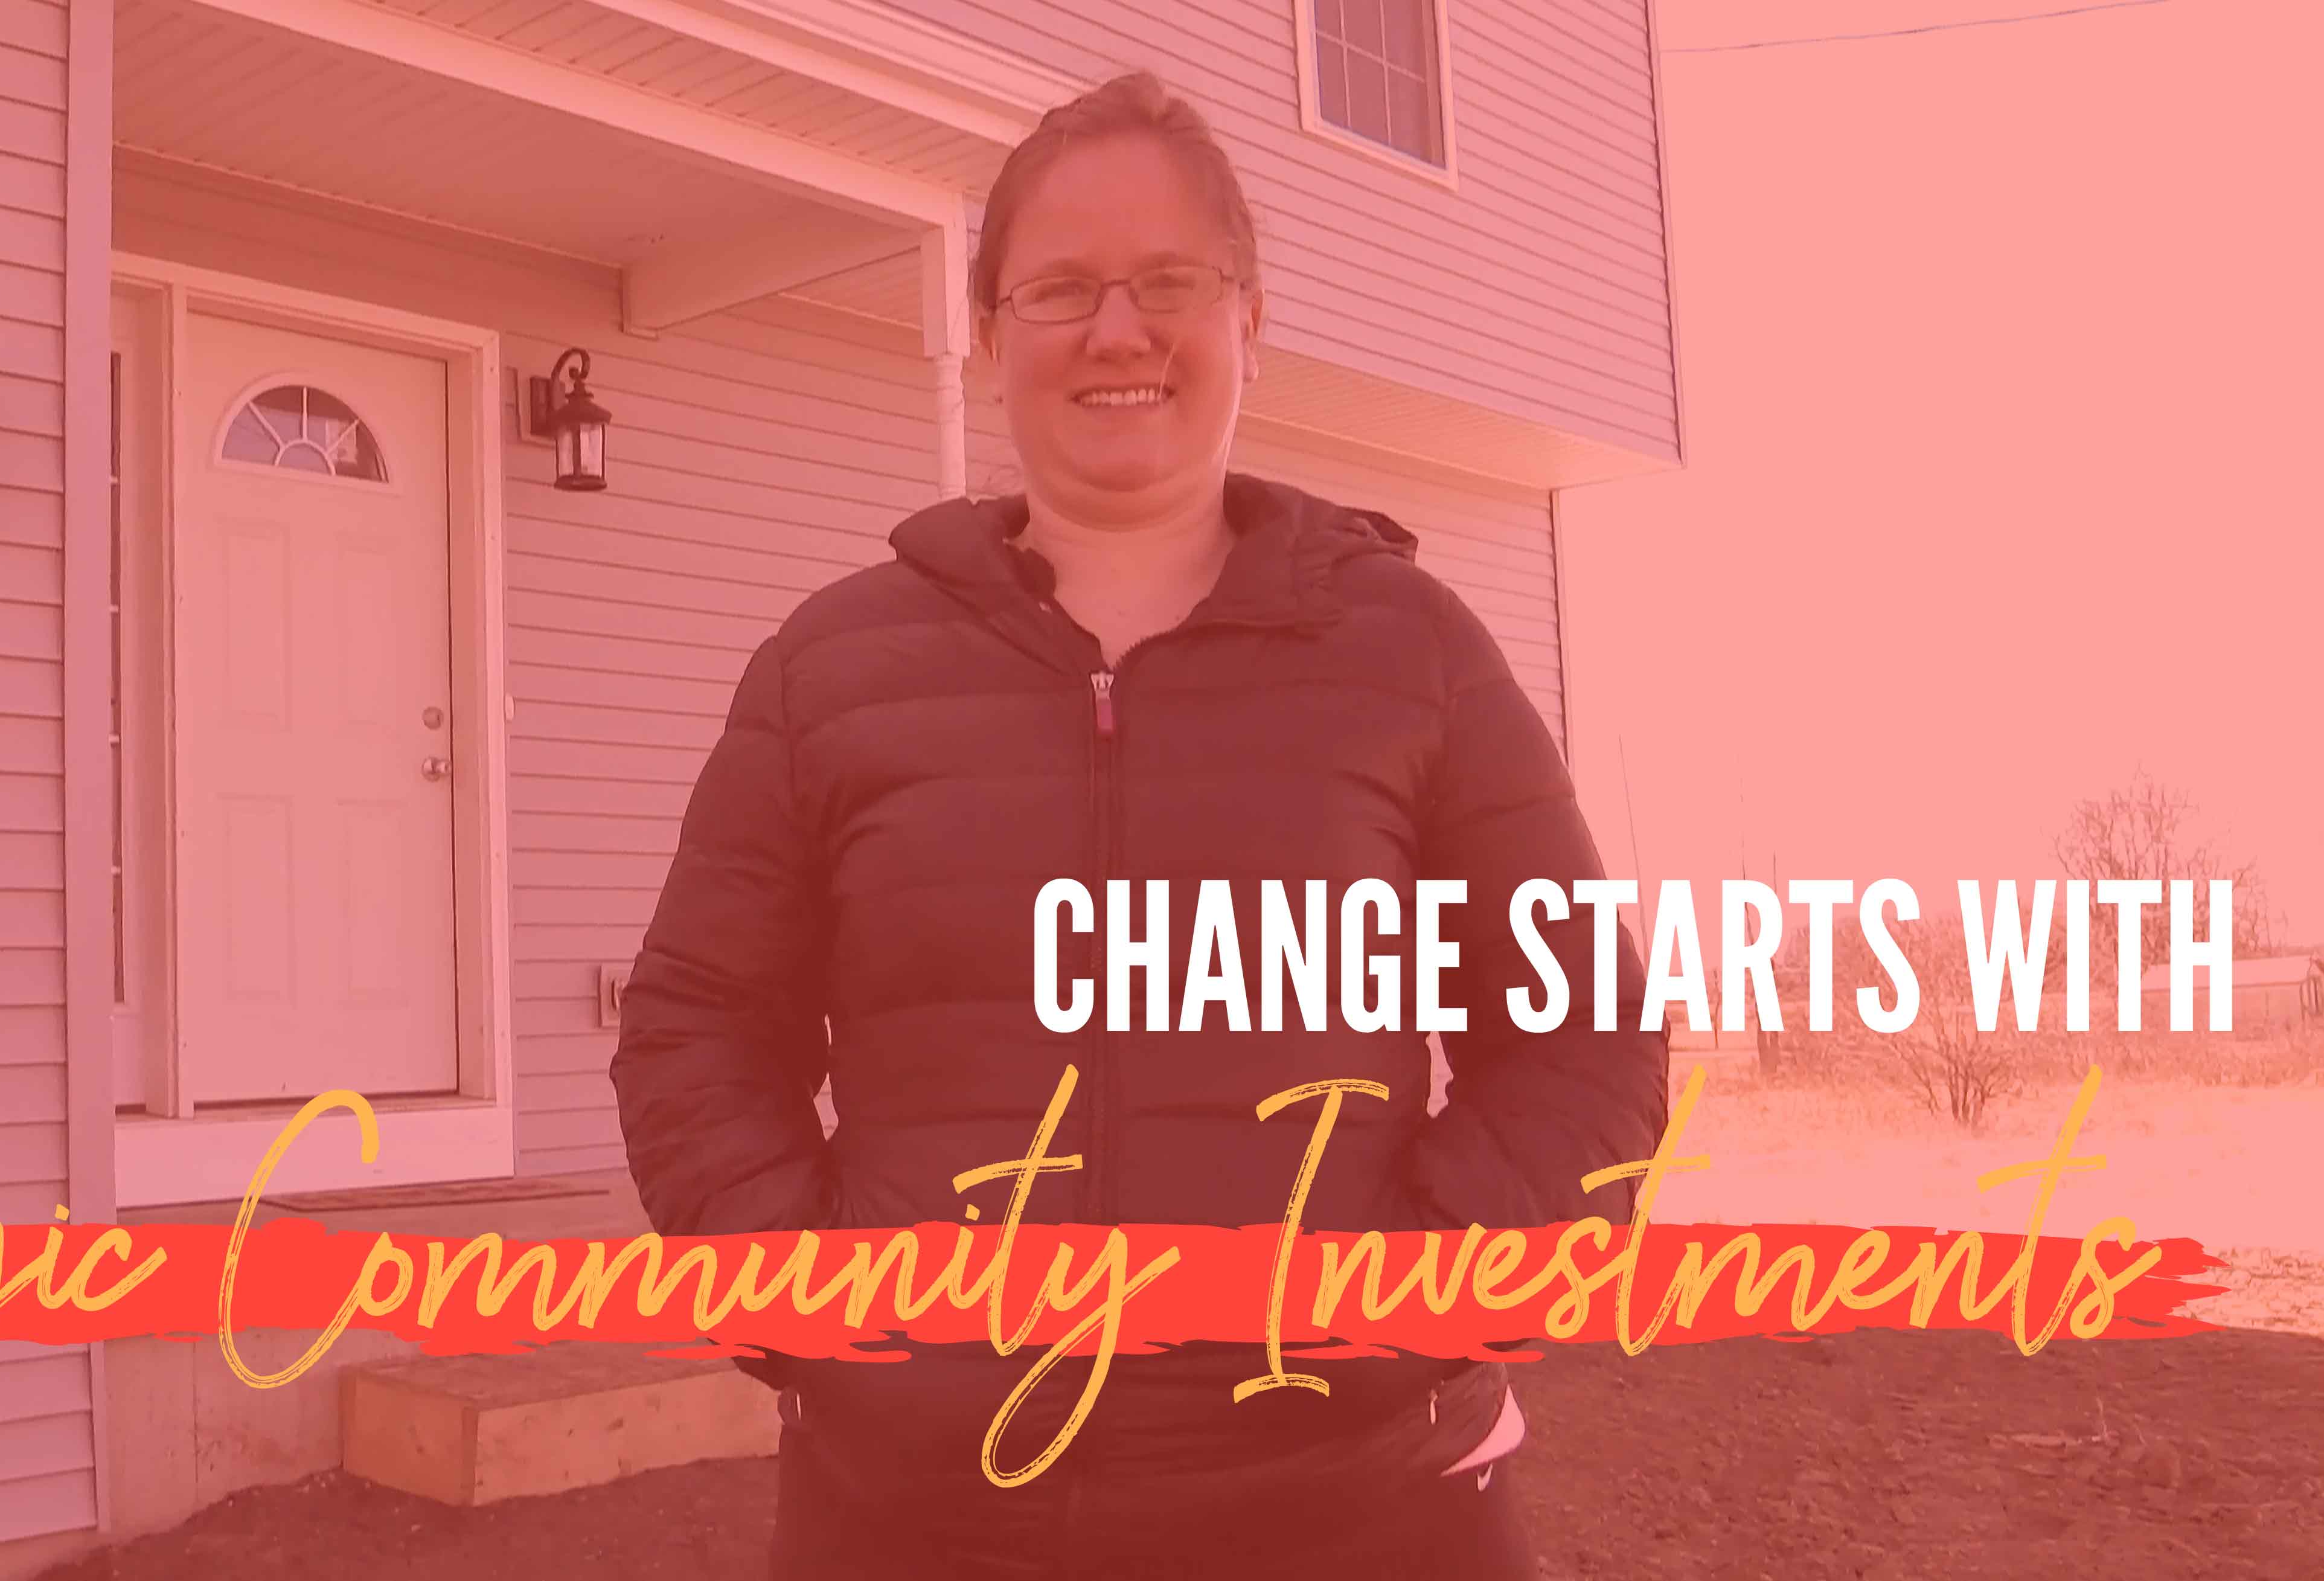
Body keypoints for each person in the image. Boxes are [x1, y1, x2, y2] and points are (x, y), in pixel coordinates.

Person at [609, 69, 1667, 1580]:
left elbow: (1580, 1030)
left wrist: (1426, 1298)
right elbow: (696, 1024)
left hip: (1363, 1512)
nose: (1118, 330)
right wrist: (816, 1304)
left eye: (1169, 281)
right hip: (916, 1519)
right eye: (1059, 290)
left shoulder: (1410, 651)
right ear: (988, 338)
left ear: (1249, 317)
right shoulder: (826, 670)